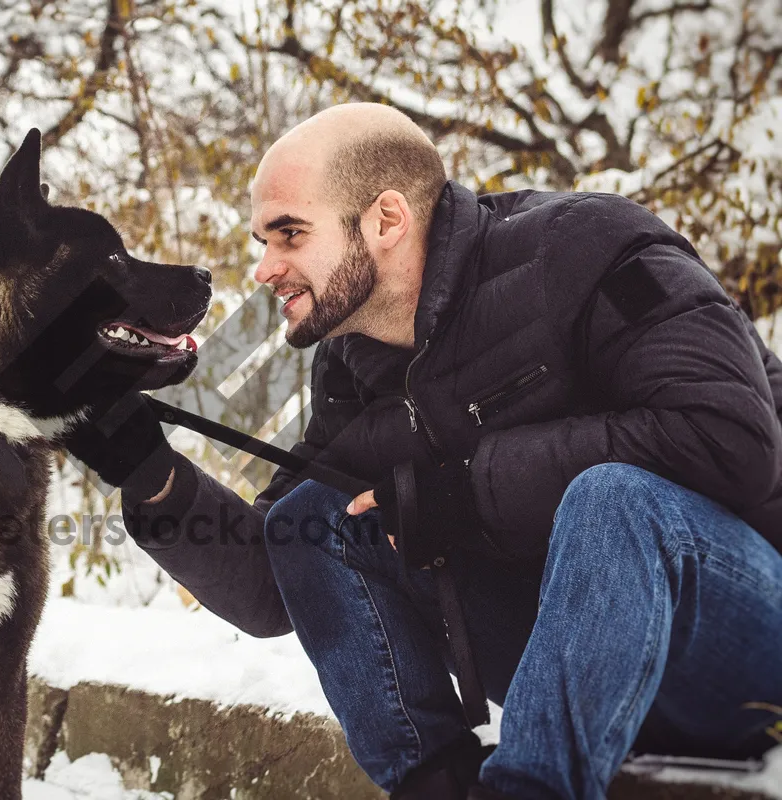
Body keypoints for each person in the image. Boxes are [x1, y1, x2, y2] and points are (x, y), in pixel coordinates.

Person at [61, 103, 782, 800]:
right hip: (581, 676)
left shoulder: (586, 250)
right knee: (318, 513)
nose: (264, 269)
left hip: (744, 653)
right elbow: (280, 570)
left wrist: (464, 495)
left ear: (386, 219)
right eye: (263, 242)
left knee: (612, 499)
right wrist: (151, 477)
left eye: (289, 235)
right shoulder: (354, 363)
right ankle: (432, 784)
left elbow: (731, 438)